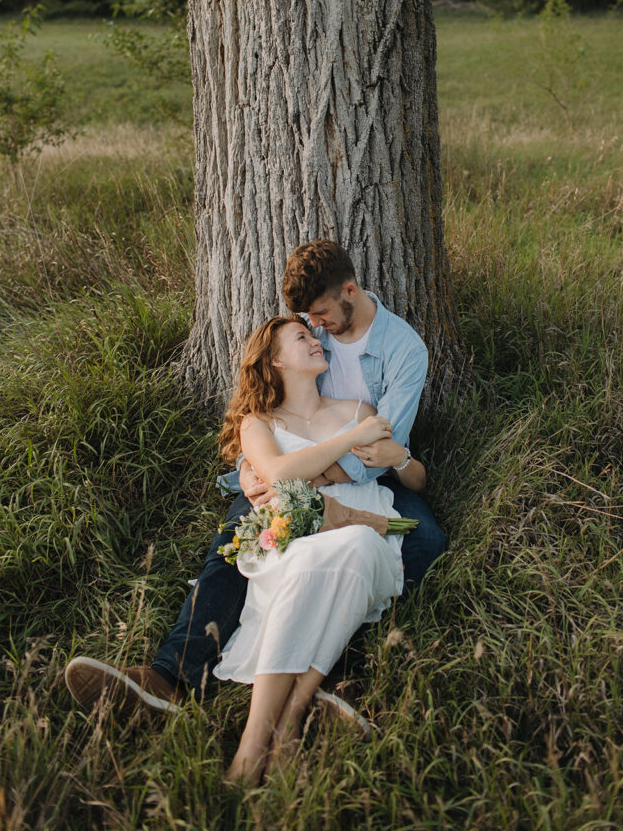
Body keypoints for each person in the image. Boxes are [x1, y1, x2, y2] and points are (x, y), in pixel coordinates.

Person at [64, 240, 446, 715]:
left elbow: (383, 445)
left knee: (424, 541)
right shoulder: (309, 327)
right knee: (242, 537)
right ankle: (170, 675)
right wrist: (256, 466)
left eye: (322, 315)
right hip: (293, 464)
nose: (316, 328)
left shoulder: (404, 349)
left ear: (350, 290)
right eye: (309, 321)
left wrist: (313, 480)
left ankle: (336, 670)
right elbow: (275, 405)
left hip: (366, 474)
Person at [214, 314, 426, 781]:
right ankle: (256, 745)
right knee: (311, 558)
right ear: (273, 360)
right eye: (302, 337)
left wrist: (401, 457)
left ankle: (288, 721)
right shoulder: (259, 423)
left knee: (357, 544)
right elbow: (280, 476)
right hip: (298, 536)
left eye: (313, 334)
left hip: (368, 533)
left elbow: (415, 477)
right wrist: (349, 441)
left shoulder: (359, 410)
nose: (316, 341)